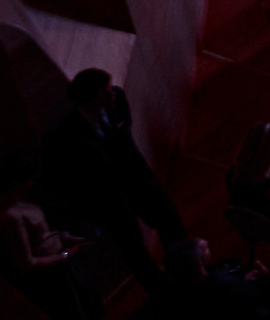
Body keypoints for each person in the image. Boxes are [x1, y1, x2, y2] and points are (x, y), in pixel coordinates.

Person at [41, 70, 186, 293]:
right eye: (105, 92)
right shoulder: (69, 136)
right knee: (134, 250)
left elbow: (124, 133)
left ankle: (187, 270)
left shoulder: (116, 102)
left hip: (140, 181)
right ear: (90, 99)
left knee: (170, 222)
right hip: (111, 201)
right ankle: (162, 292)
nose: (113, 94)